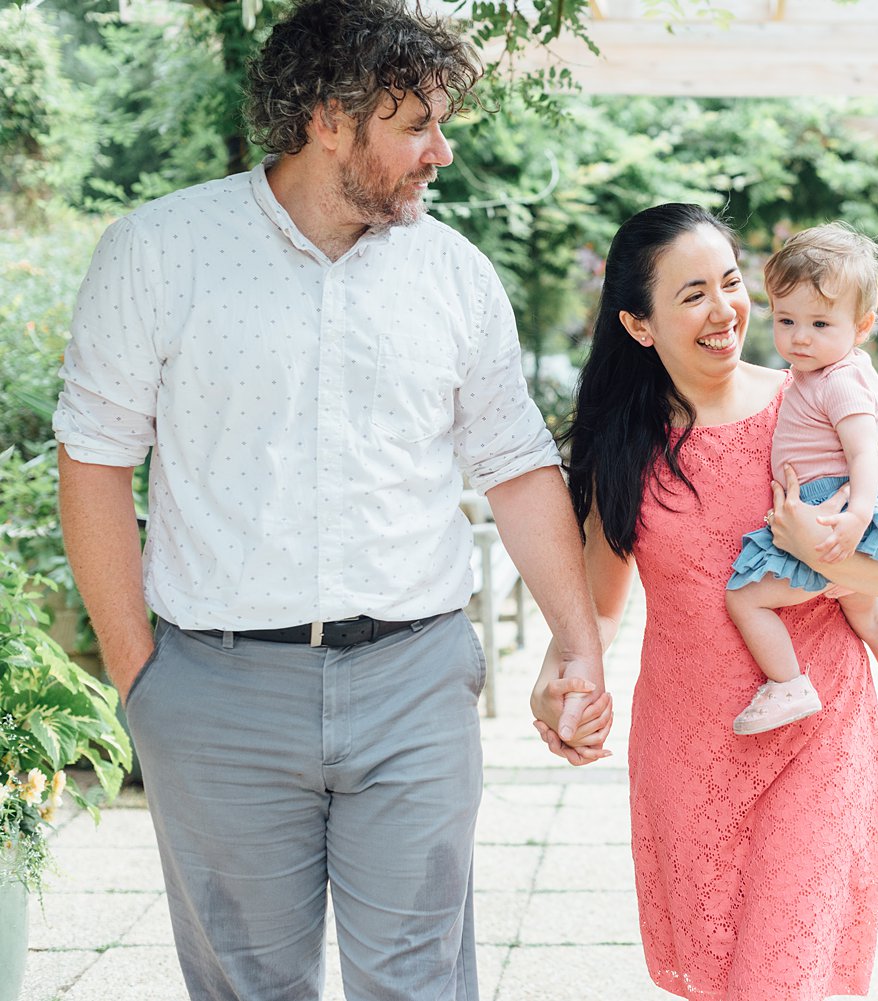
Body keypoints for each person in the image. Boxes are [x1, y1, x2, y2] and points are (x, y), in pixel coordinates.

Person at [52, 1, 605, 998]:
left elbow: (517, 466)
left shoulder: (455, 275)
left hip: (414, 679)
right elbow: (93, 458)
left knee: (417, 980)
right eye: (416, 124)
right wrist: (141, 674)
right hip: (217, 688)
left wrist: (579, 643)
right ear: (328, 119)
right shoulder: (161, 250)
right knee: (250, 984)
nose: (441, 150)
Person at [530, 204, 878, 1000]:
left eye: (729, 281)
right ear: (638, 323)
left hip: (817, 739)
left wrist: (825, 547)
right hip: (690, 751)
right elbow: (599, 607)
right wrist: (568, 681)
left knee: (780, 978)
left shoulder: (813, 405)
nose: (725, 310)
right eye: (692, 294)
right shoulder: (624, 446)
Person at [724, 222, 878, 745]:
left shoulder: (840, 380)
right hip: (831, 508)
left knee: (747, 600)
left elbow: (864, 452)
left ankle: (788, 683)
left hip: (830, 512)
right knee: (865, 609)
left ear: (862, 325)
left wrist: (857, 517)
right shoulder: (823, 372)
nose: (800, 336)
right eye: (786, 320)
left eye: (820, 323)